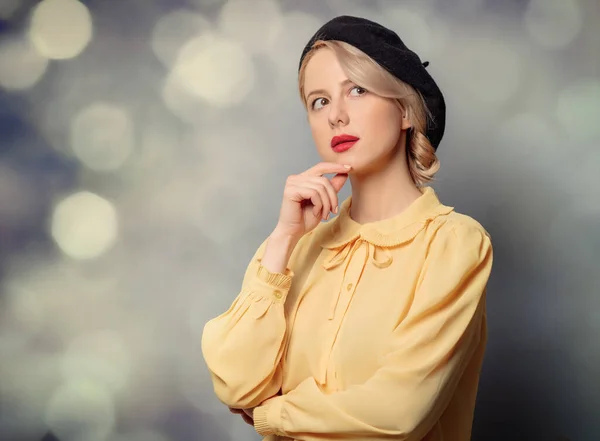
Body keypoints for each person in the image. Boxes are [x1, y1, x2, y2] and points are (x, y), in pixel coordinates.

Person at [201, 15, 494, 441]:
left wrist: (272, 415)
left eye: (357, 90)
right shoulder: (297, 245)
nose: (336, 116)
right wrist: (284, 240)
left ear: (406, 110)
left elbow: (399, 412)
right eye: (319, 101)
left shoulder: (454, 244)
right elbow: (235, 382)